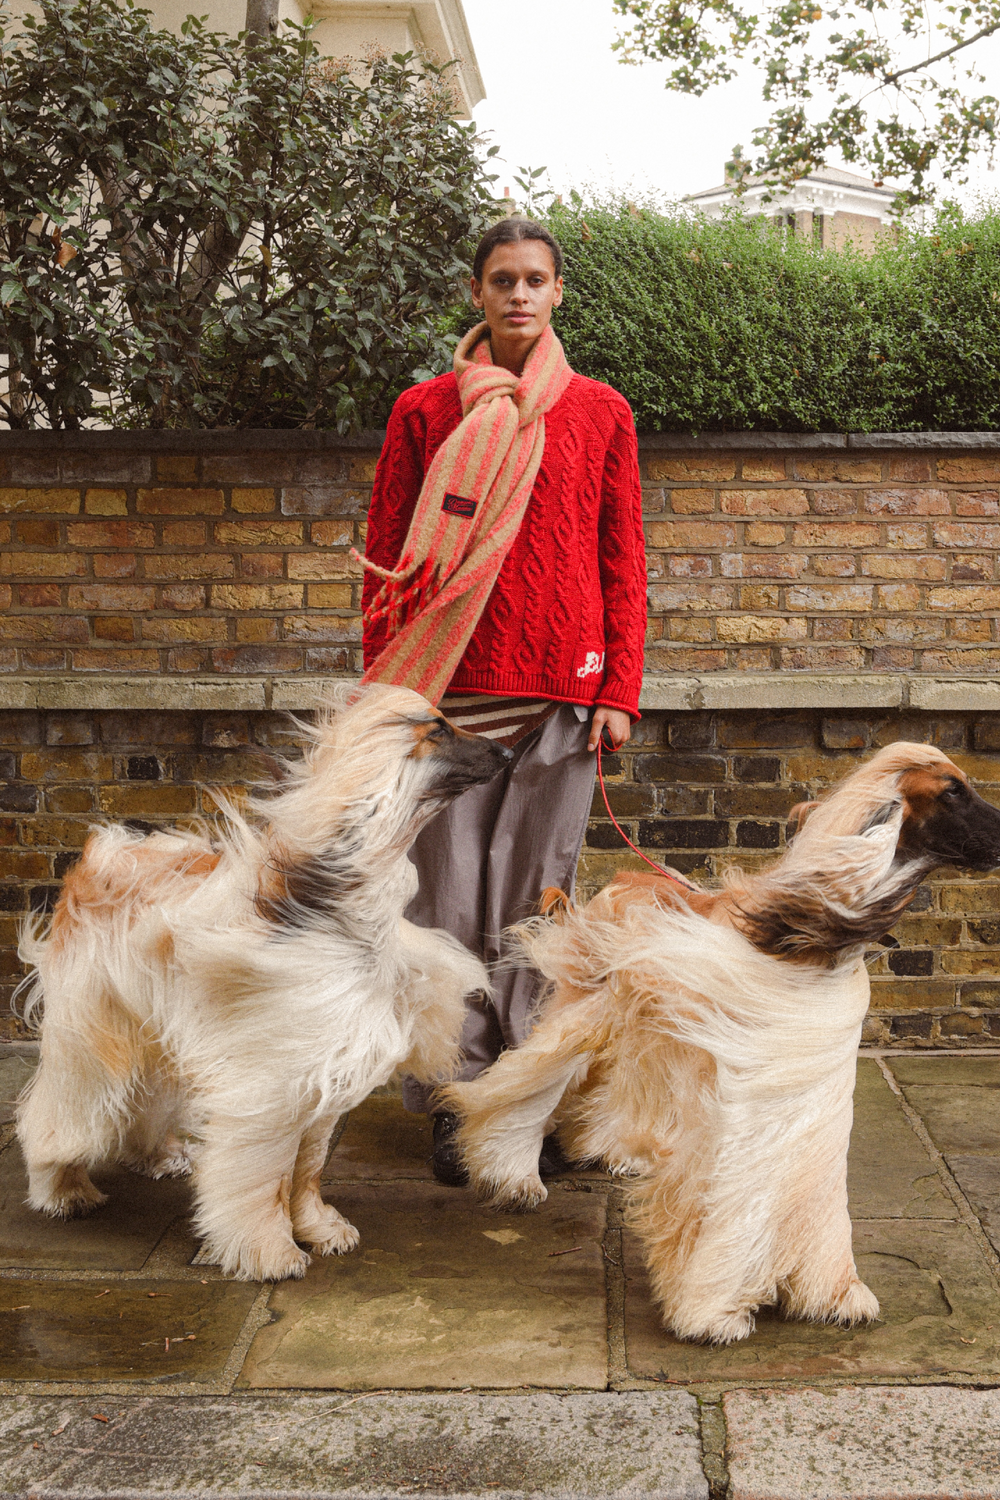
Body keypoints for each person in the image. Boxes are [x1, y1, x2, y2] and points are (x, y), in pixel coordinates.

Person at [360, 216, 647, 1183]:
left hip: (564, 692)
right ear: (477, 294)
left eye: (535, 279)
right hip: (451, 692)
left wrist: (621, 687)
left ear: (558, 291)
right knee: (445, 900)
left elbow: (622, 557)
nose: (519, 294)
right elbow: (391, 559)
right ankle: (452, 1091)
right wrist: (388, 694)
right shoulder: (424, 410)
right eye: (501, 280)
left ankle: (521, 1091)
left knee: (538, 899)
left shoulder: (602, 412)